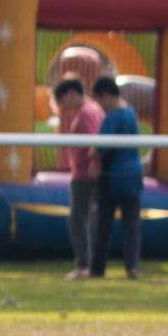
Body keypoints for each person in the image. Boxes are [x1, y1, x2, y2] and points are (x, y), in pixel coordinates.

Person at [89, 76, 144, 280]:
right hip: (133, 175)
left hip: (112, 177)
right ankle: (132, 266)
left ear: (105, 95)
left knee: (103, 223)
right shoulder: (131, 112)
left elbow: (102, 146)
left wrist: (91, 153)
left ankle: (98, 268)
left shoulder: (112, 117)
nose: (100, 107)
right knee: (132, 224)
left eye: (99, 101)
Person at [53, 77, 103, 279]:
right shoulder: (93, 109)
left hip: (84, 175)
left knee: (77, 221)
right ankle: (88, 264)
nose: (62, 106)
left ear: (71, 92)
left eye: (61, 99)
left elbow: (95, 140)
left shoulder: (87, 112)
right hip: (83, 172)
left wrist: (93, 165)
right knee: (87, 220)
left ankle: (83, 266)